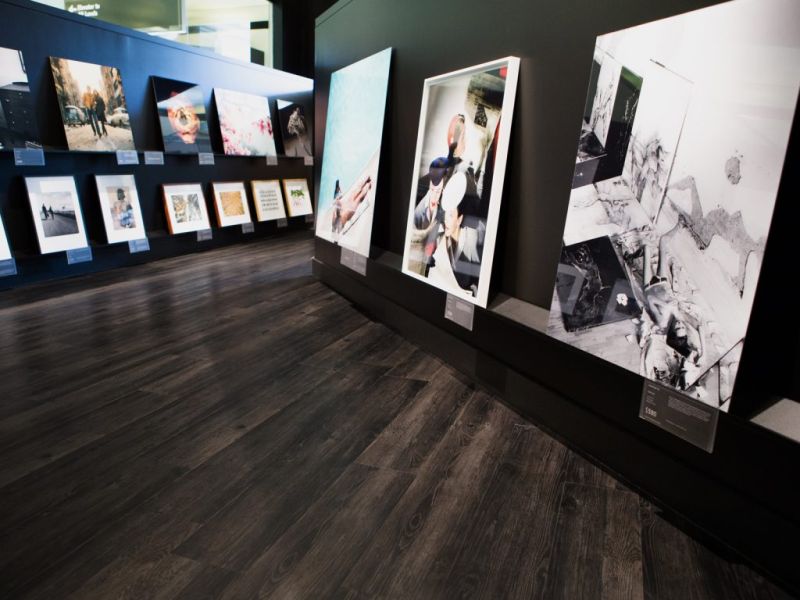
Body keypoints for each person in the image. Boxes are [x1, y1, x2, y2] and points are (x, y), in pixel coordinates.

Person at [639, 218, 706, 388]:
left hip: (649, 287)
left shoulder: (662, 322)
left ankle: (633, 255)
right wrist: (703, 352)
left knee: (647, 248)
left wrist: (667, 304)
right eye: (683, 327)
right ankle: (680, 224)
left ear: (673, 332)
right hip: (663, 283)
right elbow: (700, 326)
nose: (680, 324)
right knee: (663, 241)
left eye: (678, 328)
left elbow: (650, 300)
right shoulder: (679, 316)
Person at [437, 171, 485, 295]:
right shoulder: (441, 238)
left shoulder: (473, 241)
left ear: (459, 219)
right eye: (445, 214)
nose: (446, 220)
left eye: (451, 215)